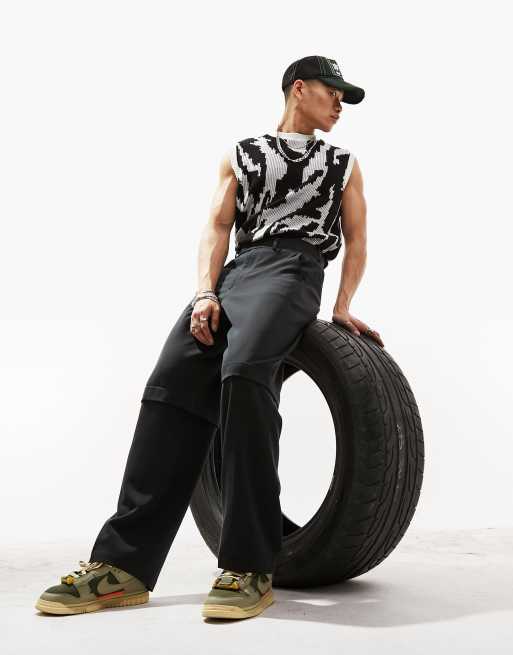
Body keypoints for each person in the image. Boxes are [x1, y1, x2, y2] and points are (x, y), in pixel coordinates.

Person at [35, 55, 383, 621]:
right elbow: (218, 227)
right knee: (171, 382)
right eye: (333, 92)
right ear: (299, 88)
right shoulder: (242, 153)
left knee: (244, 373)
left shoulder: (343, 163)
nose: (340, 104)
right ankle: (122, 567)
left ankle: (247, 566)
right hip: (239, 272)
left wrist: (342, 306)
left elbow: (358, 238)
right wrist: (205, 293)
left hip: (295, 269)